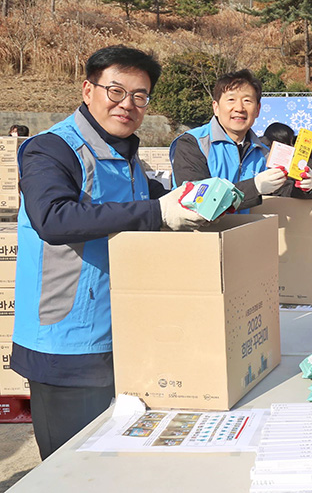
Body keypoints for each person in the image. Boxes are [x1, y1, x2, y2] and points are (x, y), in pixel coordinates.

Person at [11, 45, 206, 460]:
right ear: (88, 90)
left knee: (114, 468)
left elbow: (176, 202)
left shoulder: (128, 155)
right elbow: (54, 219)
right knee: (72, 472)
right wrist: (156, 211)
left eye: (140, 96)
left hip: (125, 334)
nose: (128, 104)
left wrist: (254, 190)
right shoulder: (51, 149)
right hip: (67, 342)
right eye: (116, 91)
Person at [170, 70, 312, 209]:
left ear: (258, 109)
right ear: (216, 107)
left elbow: (280, 190)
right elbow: (198, 200)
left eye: (247, 101)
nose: (239, 108)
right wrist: (255, 187)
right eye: (231, 99)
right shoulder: (193, 143)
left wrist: (304, 187)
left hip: (245, 232)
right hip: (203, 234)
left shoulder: (263, 152)